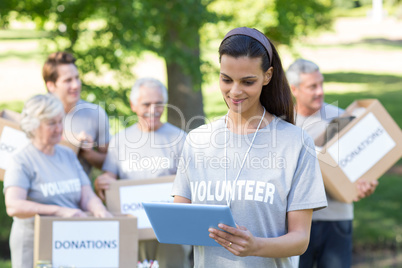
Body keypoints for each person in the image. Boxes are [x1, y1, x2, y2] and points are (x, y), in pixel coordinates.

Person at [172, 27, 328, 268]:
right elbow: (180, 221)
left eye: (247, 81)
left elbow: (300, 239)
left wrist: (256, 247)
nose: (234, 91)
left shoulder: (295, 142)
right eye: (226, 79)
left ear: (267, 76)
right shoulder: (197, 140)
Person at [286, 58, 378, 268]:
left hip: (336, 218)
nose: (320, 91)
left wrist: (365, 183)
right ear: (294, 89)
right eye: (312, 86)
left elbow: (360, 165)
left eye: (321, 84)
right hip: (297, 223)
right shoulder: (284, 124)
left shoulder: (341, 119)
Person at [3, 94, 112, 268]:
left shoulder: (67, 154)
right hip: (33, 244)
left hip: (69, 242)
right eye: (51, 123)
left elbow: (86, 195)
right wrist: (59, 211)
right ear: (33, 126)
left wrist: (98, 209)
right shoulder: (21, 161)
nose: (59, 128)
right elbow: (14, 205)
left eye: (60, 121)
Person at [94, 77, 190, 267]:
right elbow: (109, 177)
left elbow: (192, 184)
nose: (153, 110)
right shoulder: (120, 140)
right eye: (146, 104)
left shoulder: (180, 139)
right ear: (133, 105)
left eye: (159, 103)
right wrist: (102, 182)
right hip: (134, 230)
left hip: (171, 232)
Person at [42, 51, 110, 175]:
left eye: (77, 78)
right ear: (51, 85)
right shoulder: (36, 113)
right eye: (68, 80)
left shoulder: (95, 114)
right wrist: (69, 139)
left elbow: (109, 163)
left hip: (79, 191)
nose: (76, 85)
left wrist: (87, 152)